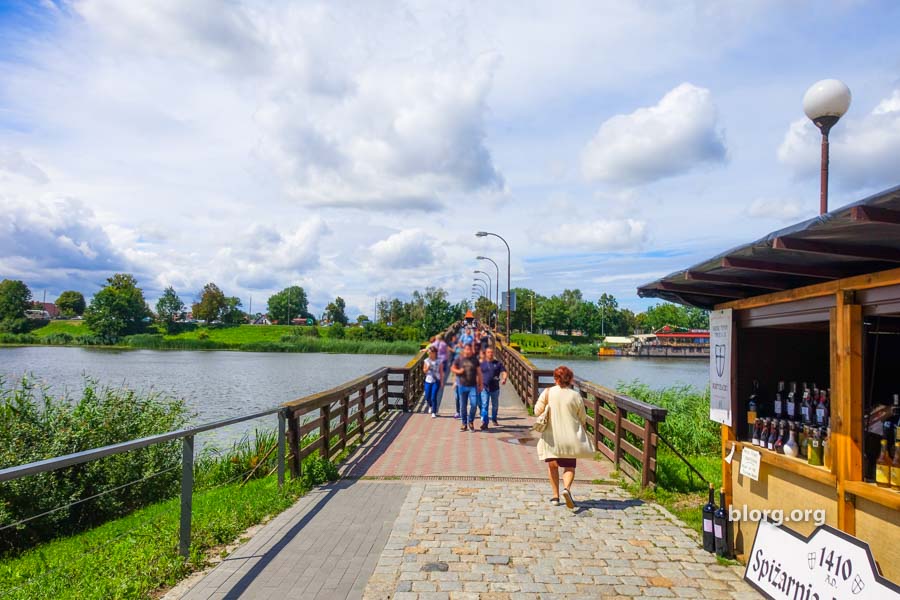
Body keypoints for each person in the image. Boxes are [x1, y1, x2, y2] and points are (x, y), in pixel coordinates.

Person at [534, 365, 592, 511]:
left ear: (555, 378)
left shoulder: (547, 392)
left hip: (552, 436)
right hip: (570, 437)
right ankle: (566, 489)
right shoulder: (575, 395)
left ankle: (555, 496)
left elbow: (537, 411)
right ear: (570, 379)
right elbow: (583, 417)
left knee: (553, 466)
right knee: (569, 466)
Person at [451, 343, 483, 431]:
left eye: (469, 349)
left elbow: (479, 373)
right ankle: (464, 424)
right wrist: (458, 371)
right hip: (462, 385)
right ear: (464, 350)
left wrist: (481, 384)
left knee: (474, 404)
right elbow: (452, 368)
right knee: (463, 406)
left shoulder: (475, 360)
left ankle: (471, 421)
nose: (468, 351)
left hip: (473, 386)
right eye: (466, 349)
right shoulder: (459, 359)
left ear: (471, 350)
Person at [479, 346, 506, 429]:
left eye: (491, 352)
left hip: (495, 388)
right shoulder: (482, 364)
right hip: (485, 387)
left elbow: (504, 372)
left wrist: (504, 378)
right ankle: (485, 422)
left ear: (493, 353)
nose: (490, 354)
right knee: (484, 405)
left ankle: (494, 419)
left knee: (495, 405)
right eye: (488, 352)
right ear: (486, 354)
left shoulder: (498, 363)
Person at [423, 347, 442, 418]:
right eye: (429, 353)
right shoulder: (426, 360)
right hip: (428, 380)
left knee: (433, 396)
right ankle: (430, 405)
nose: (430, 354)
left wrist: (442, 381)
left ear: (435, 353)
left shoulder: (438, 361)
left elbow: (441, 372)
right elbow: (424, 371)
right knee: (427, 396)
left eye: (431, 353)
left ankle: (434, 412)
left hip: (436, 381)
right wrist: (427, 368)